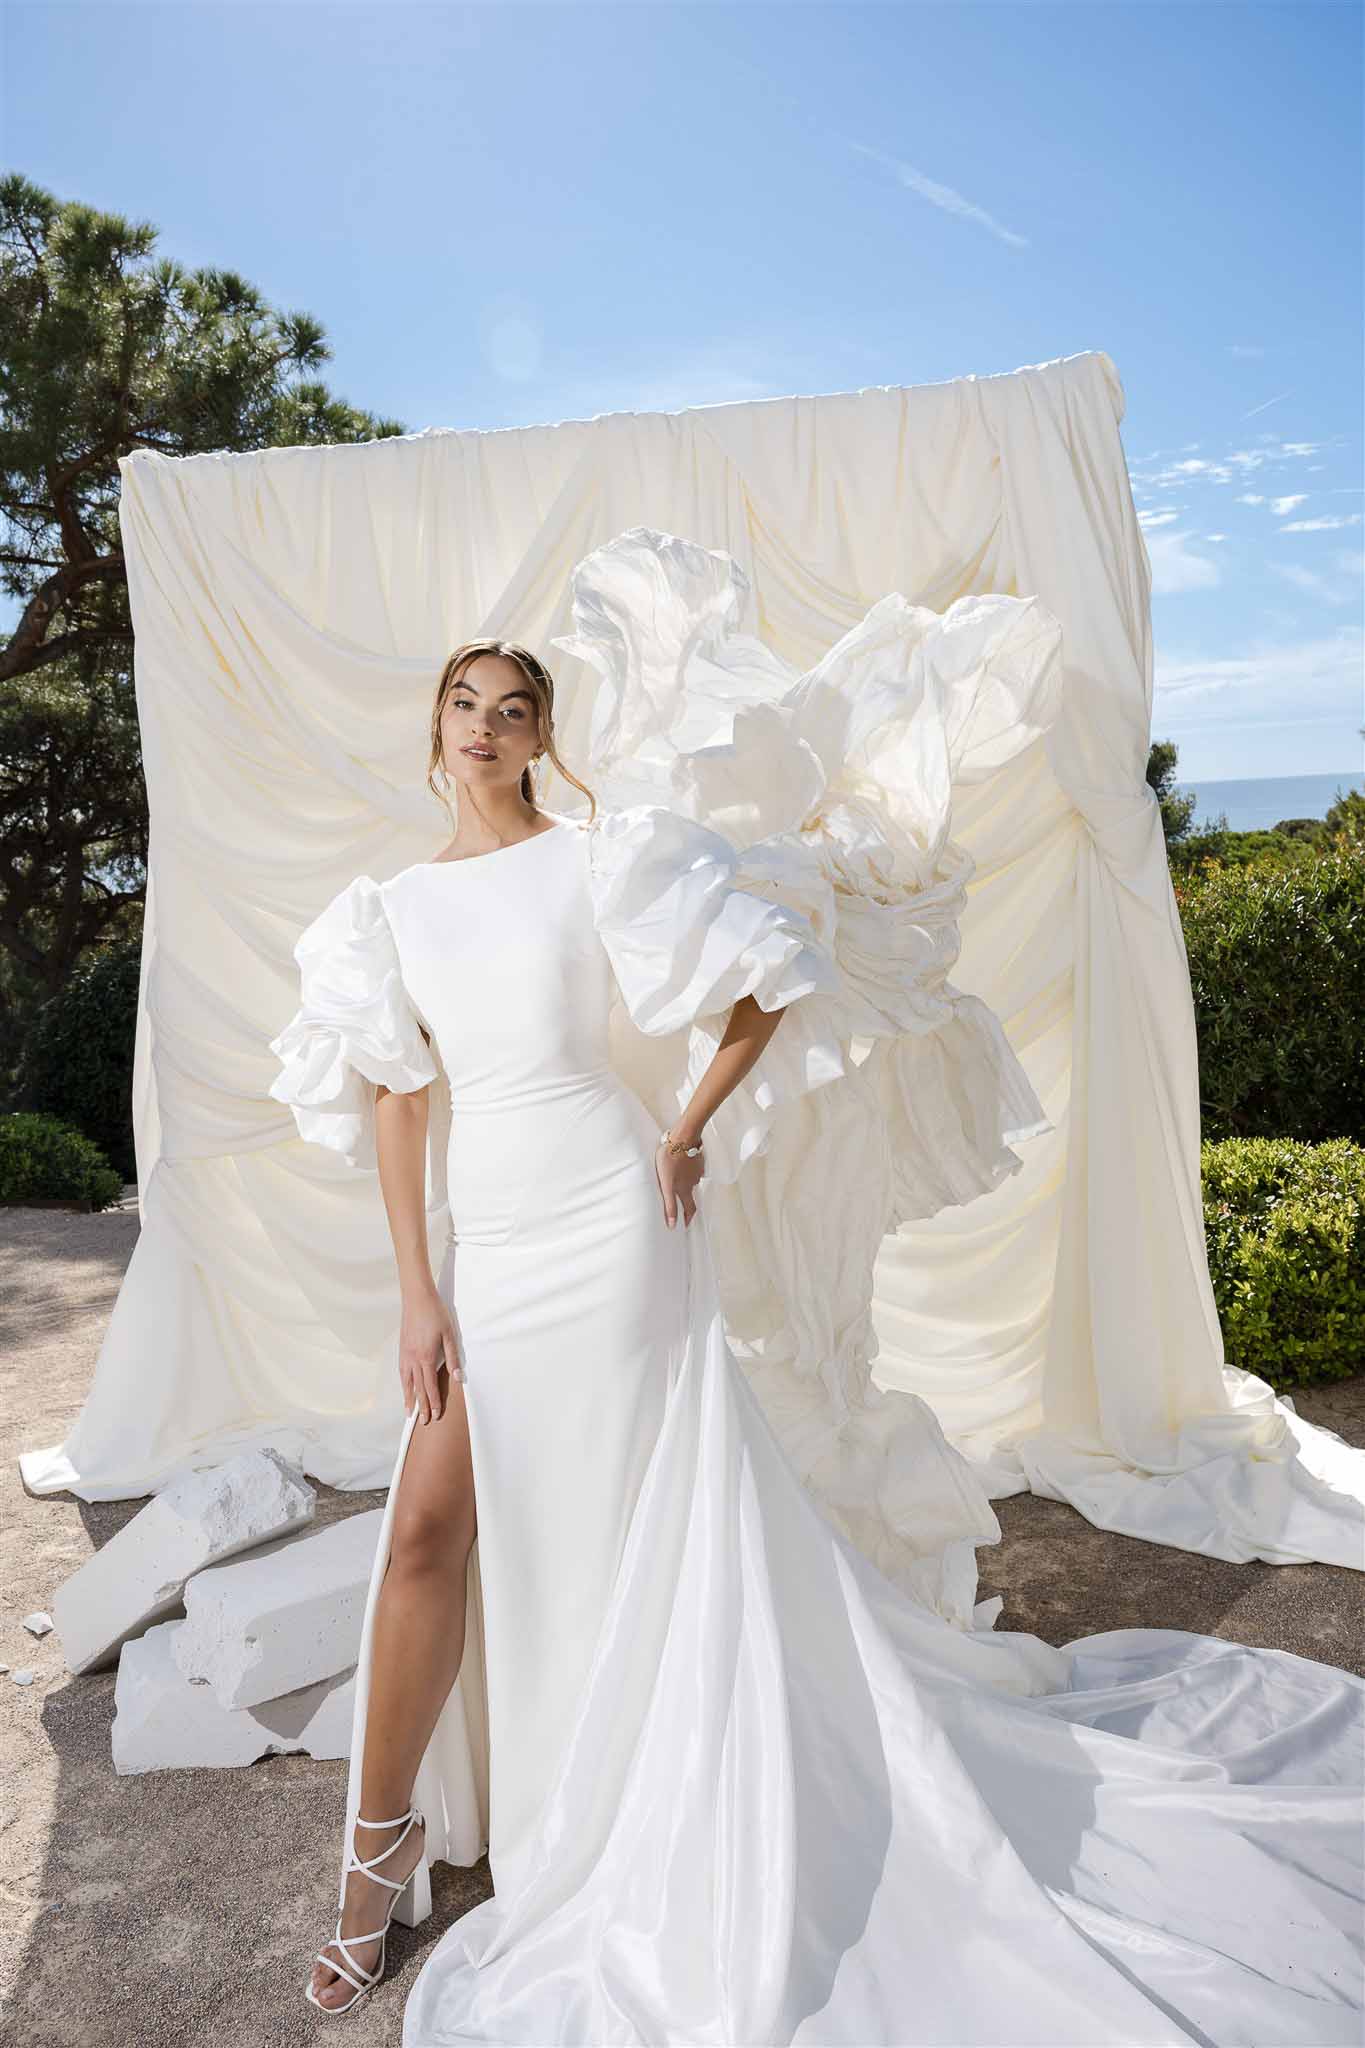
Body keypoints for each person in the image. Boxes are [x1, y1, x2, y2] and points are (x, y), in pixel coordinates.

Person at [269, 527, 1363, 2047]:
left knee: (631, 1519)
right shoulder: (387, 910)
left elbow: (761, 979)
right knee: (426, 1538)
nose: (486, 724)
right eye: (465, 699)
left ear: (543, 739)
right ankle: (367, 1873)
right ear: (435, 725)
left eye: (514, 705)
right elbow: (395, 1098)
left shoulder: (595, 864)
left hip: (611, 1220)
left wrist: (682, 1133)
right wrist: (415, 1288)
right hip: (487, 1241)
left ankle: (643, 1795)